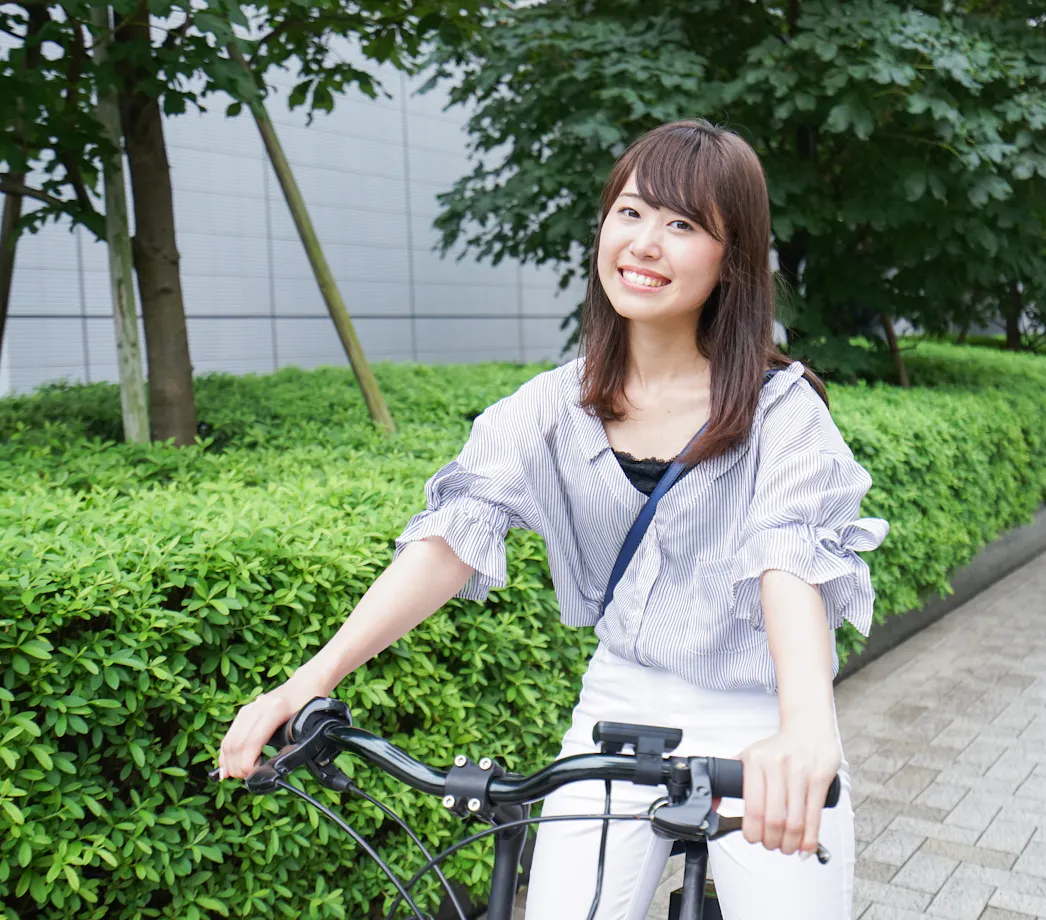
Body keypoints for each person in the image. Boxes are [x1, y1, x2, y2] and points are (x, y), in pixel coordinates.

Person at [217, 119, 888, 920]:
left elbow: (790, 563)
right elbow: (449, 538)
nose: (645, 243)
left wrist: (806, 729)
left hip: (760, 712)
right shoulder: (551, 406)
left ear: (731, 257)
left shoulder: (782, 414)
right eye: (631, 213)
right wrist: (308, 681)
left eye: (682, 225)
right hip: (619, 703)